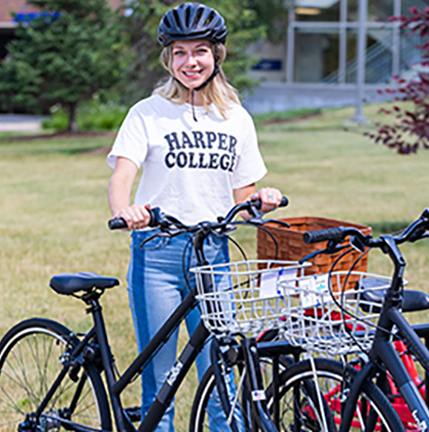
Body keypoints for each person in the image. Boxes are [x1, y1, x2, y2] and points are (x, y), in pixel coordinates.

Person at [106, 3, 283, 431]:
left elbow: (243, 196)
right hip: (158, 255)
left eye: (200, 51)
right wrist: (124, 210)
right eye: (180, 53)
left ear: (216, 56)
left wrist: (263, 200)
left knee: (222, 382)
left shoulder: (236, 118)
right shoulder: (147, 113)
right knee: (161, 385)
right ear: (168, 58)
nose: (191, 62)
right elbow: (121, 178)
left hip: (215, 256)